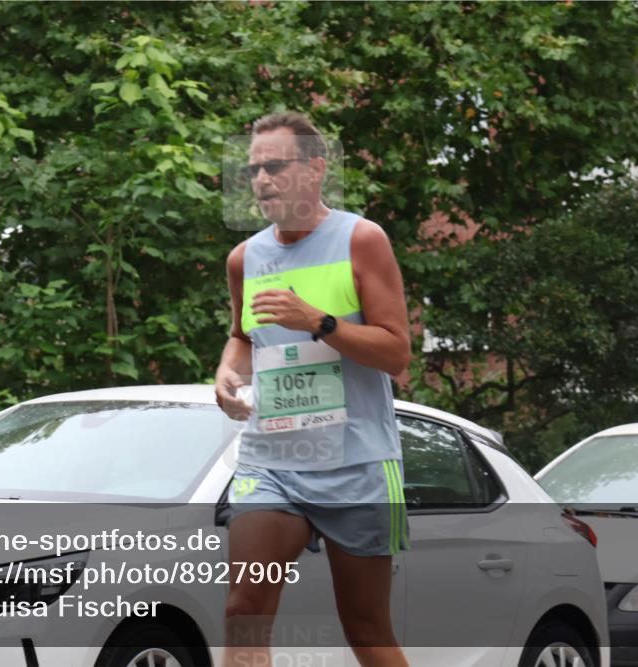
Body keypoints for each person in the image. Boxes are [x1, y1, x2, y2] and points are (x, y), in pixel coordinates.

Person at [214, 111, 412, 667]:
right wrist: (228, 374)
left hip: (358, 463)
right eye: (253, 170)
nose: (260, 180)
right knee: (244, 609)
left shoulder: (361, 240)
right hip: (273, 461)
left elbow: (397, 352)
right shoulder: (245, 259)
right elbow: (241, 339)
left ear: (316, 169)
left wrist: (319, 321)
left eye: (274, 166)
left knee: (367, 628)